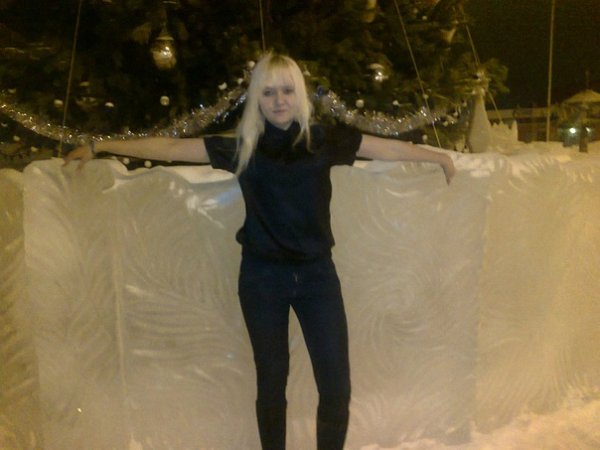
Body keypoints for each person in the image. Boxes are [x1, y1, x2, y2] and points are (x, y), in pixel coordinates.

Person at [64, 52, 455, 450]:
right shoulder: (245, 148)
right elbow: (170, 147)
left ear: (299, 94)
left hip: (318, 277)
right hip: (262, 279)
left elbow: (385, 149)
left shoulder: (321, 141)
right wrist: (98, 145)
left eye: (287, 91)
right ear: (256, 99)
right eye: (268, 93)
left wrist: (437, 156)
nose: (279, 100)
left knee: (336, 386)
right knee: (272, 383)